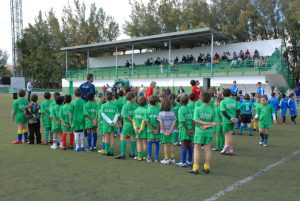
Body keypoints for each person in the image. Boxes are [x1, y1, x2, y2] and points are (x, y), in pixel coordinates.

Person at [188, 92, 218, 174]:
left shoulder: (198, 108)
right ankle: (207, 168)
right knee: (208, 150)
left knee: (197, 149)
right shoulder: (213, 109)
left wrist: (204, 125)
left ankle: (195, 168)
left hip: (199, 132)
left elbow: (196, 120)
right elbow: (215, 123)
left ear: (201, 99)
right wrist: (208, 125)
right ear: (210, 100)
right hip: (209, 132)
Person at [115, 92, 138, 159]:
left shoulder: (125, 106)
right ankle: (132, 153)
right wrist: (134, 123)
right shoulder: (136, 105)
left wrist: (132, 121)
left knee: (122, 137)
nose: (135, 98)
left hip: (127, 125)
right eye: (134, 97)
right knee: (133, 137)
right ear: (132, 98)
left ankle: (122, 154)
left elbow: (125, 116)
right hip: (134, 125)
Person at [176, 94, 194, 167]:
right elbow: (193, 120)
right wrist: (192, 129)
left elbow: (182, 121)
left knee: (183, 145)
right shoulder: (190, 109)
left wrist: (187, 130)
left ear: (180, 101)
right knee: (189, 145)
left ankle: (183, 162)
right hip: (190, 128)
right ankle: (189, 160)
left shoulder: (180, 109)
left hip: (184, 129)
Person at [220, 88, 239, 155]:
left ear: (223, 94)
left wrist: (230, 118)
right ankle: (228, 148)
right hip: (233, 120)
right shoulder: (235, 101)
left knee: (228, 134)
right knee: (228, 134)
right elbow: (238, 110)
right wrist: (235, 118)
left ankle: (228, 148)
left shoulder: (223, 102)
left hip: (226, 120)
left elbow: (223, 112)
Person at [158, 98, 177, 165]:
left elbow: (161, 123)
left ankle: (166, 159)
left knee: (165, 145)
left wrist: (164, 131)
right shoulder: (172, 113)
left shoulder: (161, 114)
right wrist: (170, 130)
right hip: (171, 132)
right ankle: (172, 159)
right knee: (172, 144)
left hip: (164, 132)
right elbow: (174, 122)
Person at [145, 96, 160, 162]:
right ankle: (156, 158)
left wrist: (151, 130)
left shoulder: (147, 110)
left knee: (149, 144)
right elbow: (159, 121)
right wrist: (157, 130)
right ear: (156, 103)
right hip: (157, 131)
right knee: (157, 144)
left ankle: (149, 157)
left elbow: (147, 121)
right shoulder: (158, 110)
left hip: (149, 131)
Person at [133, 96, 148, 161]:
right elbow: (144, 121)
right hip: (143, 130)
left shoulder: (135, 111)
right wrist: (141, 129)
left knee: (138, 142)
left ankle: (139, 156)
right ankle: (144, 156)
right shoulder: (145, 111)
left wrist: (135, 128)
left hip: (137, 130)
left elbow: (133, 120)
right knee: (144, 142)